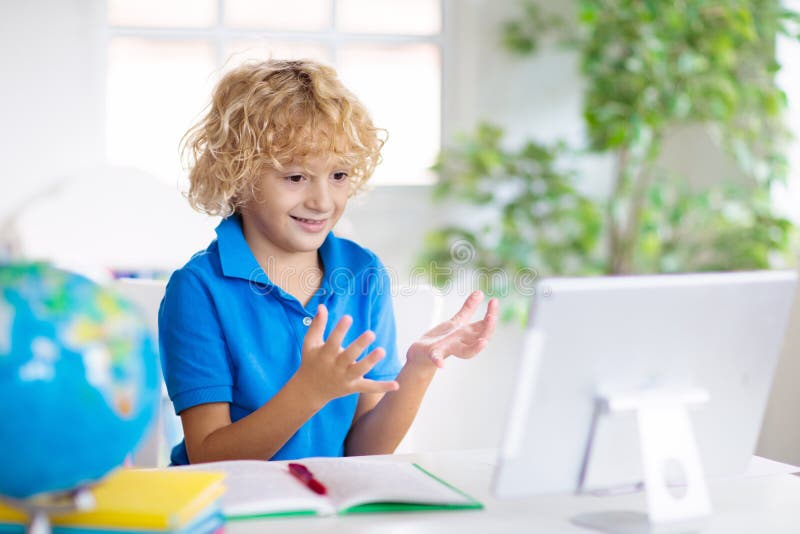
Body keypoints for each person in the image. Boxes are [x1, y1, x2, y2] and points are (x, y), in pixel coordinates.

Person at [159, 58, 499, 465]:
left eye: (338, 175)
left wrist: (418, 369)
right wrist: (309, 391)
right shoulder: (198, 290)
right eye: (296, 177)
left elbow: (364, 449)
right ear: (239, 175)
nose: (323, 201)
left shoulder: (363, 274)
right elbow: (208, 457)